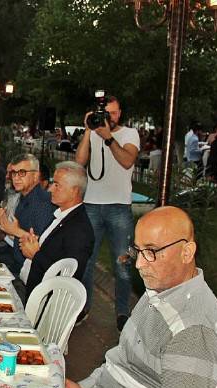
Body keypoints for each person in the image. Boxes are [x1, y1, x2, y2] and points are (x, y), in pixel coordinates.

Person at [65, 206, 217, 388]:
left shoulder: (193, 332)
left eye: (151, 251)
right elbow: (120, 363)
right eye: (138, 251)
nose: (139, 264)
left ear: (186, 252)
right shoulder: (161, 289)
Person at [75, 95, 139, 330]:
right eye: (104, 113)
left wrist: (108, 138)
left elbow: (127, 161)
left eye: (112, 113)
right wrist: (88, 131)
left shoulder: (129, 134)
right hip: (92, 204)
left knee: (122, 263)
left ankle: (122, 312)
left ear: (119, 113)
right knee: (87, 261)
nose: (108, 118)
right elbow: (80, 162)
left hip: (119, 207)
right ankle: (84, 307)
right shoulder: (93, 132)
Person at [18, 161, 94, 302]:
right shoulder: (62, 215)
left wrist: (35, 254)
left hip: (48, 304)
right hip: (35, 294)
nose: (50, 189)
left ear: (75, 191)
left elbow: (67, 277)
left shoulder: (79, 230)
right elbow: (54, 251)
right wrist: (34, 243)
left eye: (57, 185)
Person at [0, 154, 56, 278]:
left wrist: (14, 231)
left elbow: (41, 245)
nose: (16, 178)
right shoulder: (23, 197)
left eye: (22, 173)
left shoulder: (42, 203)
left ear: (36, 176)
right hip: (17, 261)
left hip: (30, 272)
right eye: (14, 173)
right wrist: (2, 223)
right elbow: (16, 233)